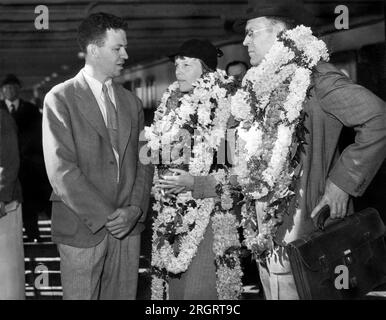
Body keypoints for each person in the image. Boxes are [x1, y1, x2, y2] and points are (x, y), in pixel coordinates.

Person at [233, 0, 386, 299]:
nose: (244, 41)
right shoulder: (259, 87)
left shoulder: (315, 78)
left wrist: (342, 182)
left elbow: (378, 117)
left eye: (252, 32)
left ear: (280, 33)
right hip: (266, 236)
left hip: (305, 238)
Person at [42, 12, 154, 300]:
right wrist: (109, 217)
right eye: (117, 48)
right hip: (83, 226)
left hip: (127, 229)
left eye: (124, 47)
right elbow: (61, 171)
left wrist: (135, 210)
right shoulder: (60, 98)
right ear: (93, 50)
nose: (125, 55)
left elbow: (144, 160)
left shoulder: (132, 102)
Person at [148, 39, 243, 300]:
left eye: (187, 65)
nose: (178, 71)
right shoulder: (172, 107)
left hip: (209, 220)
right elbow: (158, 158)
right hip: (172, 217)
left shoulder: (228, 110)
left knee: (200, 294)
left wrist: (195, 184)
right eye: (177, 65)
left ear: (207, 71)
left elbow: (238, 178)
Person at [0, 74, 47, 242]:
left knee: (29, 203)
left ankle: (33, 235)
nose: (10, 91)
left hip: (28, 166)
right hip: (6, 166)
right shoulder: (1, 111)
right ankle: (14, 239)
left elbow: (39, 135)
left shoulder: (31, 110)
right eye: (7, 88)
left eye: (13, 88)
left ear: (18, 90)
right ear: (2, 91)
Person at [0, 108, 25, 299]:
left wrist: (1, 195)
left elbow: (10, 160)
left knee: (7, 272)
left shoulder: (2, 118)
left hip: (4, 204)